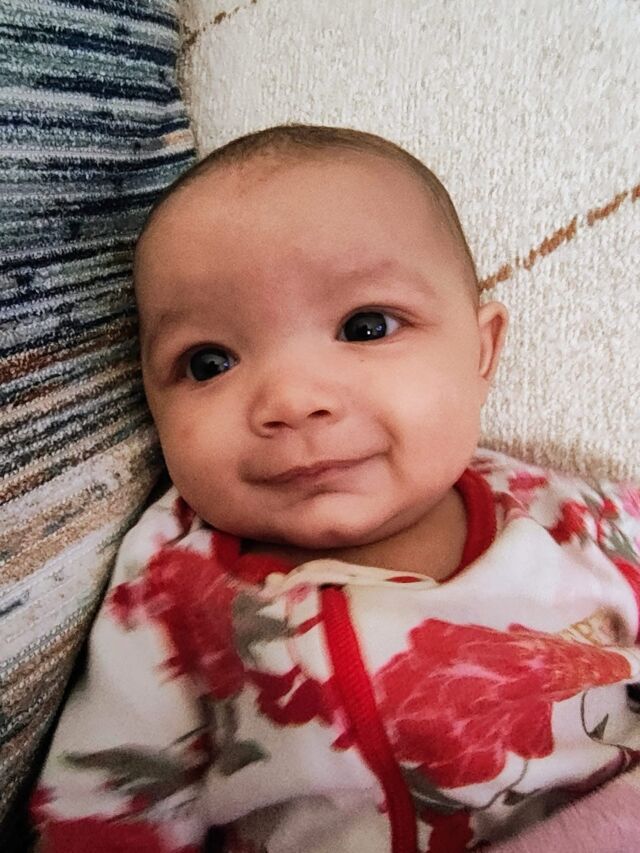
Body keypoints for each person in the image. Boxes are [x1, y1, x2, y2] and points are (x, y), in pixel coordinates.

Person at [32, 125, 640, 853]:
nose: (292, 400)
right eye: (208, 363)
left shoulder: (575, 518)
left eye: (366, 326)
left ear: (482, 352)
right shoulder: (171, 586)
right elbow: (105, 811)